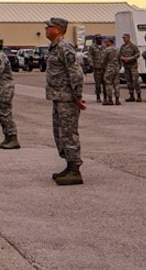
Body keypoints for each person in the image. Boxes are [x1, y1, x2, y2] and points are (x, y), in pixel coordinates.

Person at [43, 17, 84, 185]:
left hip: (67, 99)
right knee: (60, 133)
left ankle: (75, 170)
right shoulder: (54, 47)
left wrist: (78, 96)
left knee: (68, 133)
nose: (45, 29)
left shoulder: (64, 47)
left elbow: (76, 72)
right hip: (58, 97)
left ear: (58, 29)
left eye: (49, 27)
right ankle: (69, 164)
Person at [117, 34, 142, 103]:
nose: (124, 39)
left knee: (135, 81)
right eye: (123, 38)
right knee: (128, 82)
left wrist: (130, 58)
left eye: (125, 38)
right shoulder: (123, 47)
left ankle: (139, 95)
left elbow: (138, 54)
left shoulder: (133, 46)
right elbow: (120, 54)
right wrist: (122, 58)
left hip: (133, 66)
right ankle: (131, 95)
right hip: (126, 67)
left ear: (128, 38)